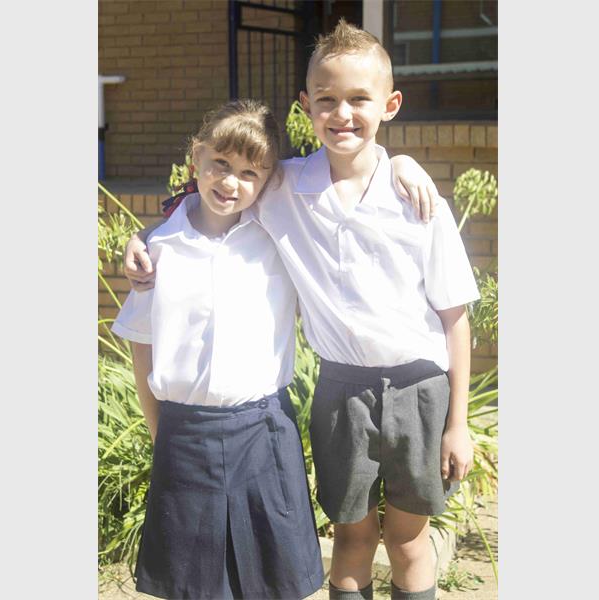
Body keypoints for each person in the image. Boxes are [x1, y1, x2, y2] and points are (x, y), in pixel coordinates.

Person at [124, 20, 479, 600]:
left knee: (410, 542)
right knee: (352, 536)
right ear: (305, 106)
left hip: (420, 390)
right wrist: (144, 238)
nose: (343, 114)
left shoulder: (415, 197)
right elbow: (216, 189)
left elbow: (454, 317)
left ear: (390, 105)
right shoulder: (283, 187)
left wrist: (457, 424)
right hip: (341, 392)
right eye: (327, 100)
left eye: (359, 99)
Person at [110, 99, 325, 600]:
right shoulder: (159, 249)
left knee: (274, 584)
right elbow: (142, 344)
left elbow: (340, 180)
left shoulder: (278, 238)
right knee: (195, 589)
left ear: (269, 180)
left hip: (265, 430)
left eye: (250, 173)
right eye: (221, 164)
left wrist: (400, 165)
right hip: (185, 437)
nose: (231, 182)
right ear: (196, 159)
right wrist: (160, 429)